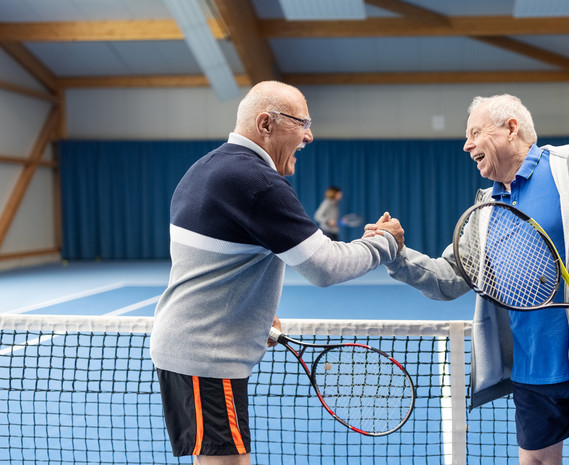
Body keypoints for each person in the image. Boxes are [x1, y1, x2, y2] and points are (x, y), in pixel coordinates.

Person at [365, 94, 569, 465]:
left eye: (474, 132)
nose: (466, 144)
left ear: (511, 128)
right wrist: (397, 254)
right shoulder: (484, 209)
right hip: (529, 366)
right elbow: (450, 278)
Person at [150, 80, 404, 465]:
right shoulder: (257, 182)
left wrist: (252, 318)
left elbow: (215, 262)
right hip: (207, 357)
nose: (309, 135)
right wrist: (385, 243)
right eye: (301, 123)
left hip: (186, 349)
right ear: (266, 124)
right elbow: (325, 268)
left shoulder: (206, 168)